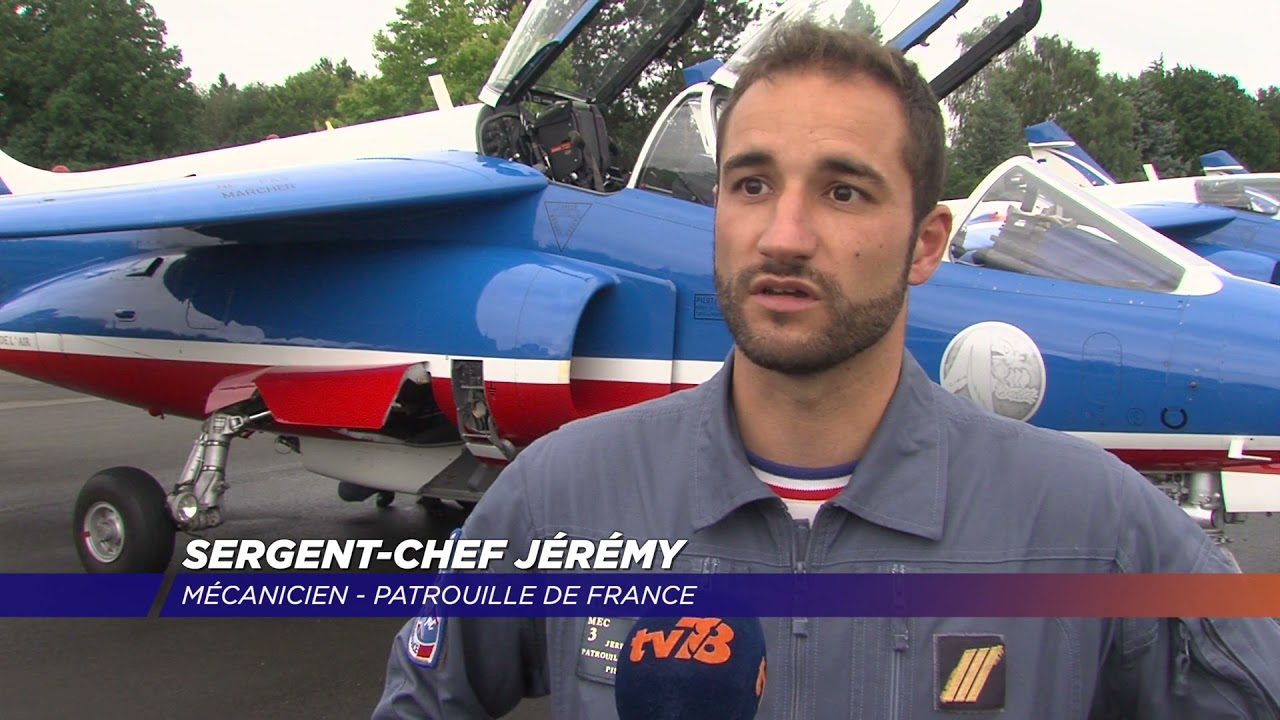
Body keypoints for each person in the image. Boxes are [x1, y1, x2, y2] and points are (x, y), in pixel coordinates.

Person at [373, 22, 1280, 719]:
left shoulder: (1092, 529)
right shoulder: (560, 498)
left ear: (926, 243)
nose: (784, 236)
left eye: (843, 191)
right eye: (751, 184)